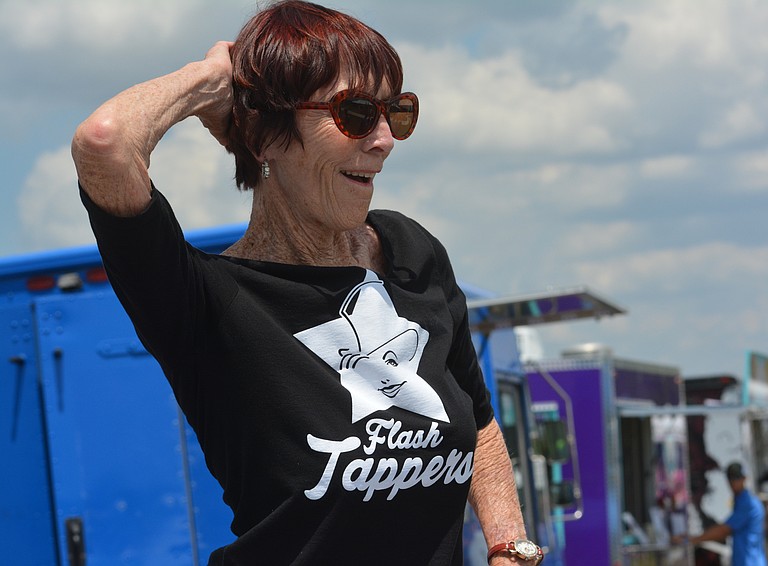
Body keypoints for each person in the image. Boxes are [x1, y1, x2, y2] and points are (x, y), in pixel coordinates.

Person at [70, 2, 543, 565]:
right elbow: (104, 144)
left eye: (398, 112)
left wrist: (510, 550)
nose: (386, 139)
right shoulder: (205, 301)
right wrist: (211, 81)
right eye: (358, 113)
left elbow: (478, 418)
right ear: (267, 136)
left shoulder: (412, 253)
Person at [676, 462, 767, 566]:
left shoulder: (749, 504)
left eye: (736, 478)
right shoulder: (741, 501)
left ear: (744, 478)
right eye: (731, 478)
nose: (733, 482)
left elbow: (724, 530)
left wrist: (694, 539)